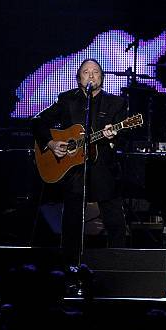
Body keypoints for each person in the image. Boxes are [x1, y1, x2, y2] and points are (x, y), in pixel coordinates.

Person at [32, 58, 128, 265]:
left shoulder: (116, 103)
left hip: (103, 167)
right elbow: (38, 121)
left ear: (102, 77)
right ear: (78, 79)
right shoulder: (67, 100)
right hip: (73, 170)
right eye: (86, 72)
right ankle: (70, 267)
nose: (91, 75)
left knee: (115, 221)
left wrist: (114, 135)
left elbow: (128, 135)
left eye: (95, 72)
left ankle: (119, 267)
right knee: (72, 222)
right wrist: (50, 143)